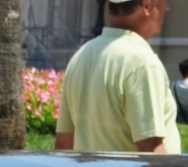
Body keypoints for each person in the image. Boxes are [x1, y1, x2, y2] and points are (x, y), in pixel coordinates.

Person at [55, 0, 180, 153]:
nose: (167, 8)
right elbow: (151, 152)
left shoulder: (81, 56)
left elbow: (63, 145)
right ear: (147, 6)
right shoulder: (142, 63)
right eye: (164, 2)